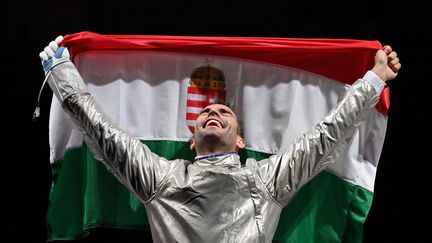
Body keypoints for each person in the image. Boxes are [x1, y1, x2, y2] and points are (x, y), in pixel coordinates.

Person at [39, 35, 401, 243]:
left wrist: (373, 80)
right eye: (205, 114)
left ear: (242, 142)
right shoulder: (163, 178)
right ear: (192, 141)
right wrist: (61, 73)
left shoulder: (263, 180)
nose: (213, 113)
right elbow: (105, 135)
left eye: (224, 113)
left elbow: (327, 136)